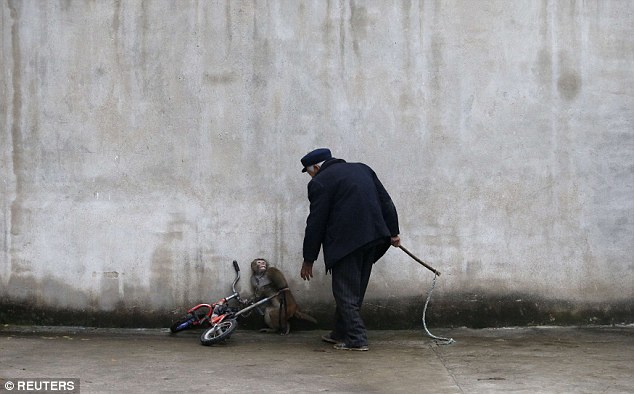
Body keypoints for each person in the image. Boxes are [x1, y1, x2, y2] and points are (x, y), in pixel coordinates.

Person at [299, 148, 400, 351]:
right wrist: (394, 232)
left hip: (346, 244)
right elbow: (386, 201)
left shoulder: (319, 181)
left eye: (309, 172)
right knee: (353, 291)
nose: (310, 177)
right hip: (374, 239)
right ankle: (340, 332)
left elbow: (316, 223)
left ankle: (356, 339)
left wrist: (308, 259)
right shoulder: (363, 169)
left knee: (345, 293)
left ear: (316, 167)